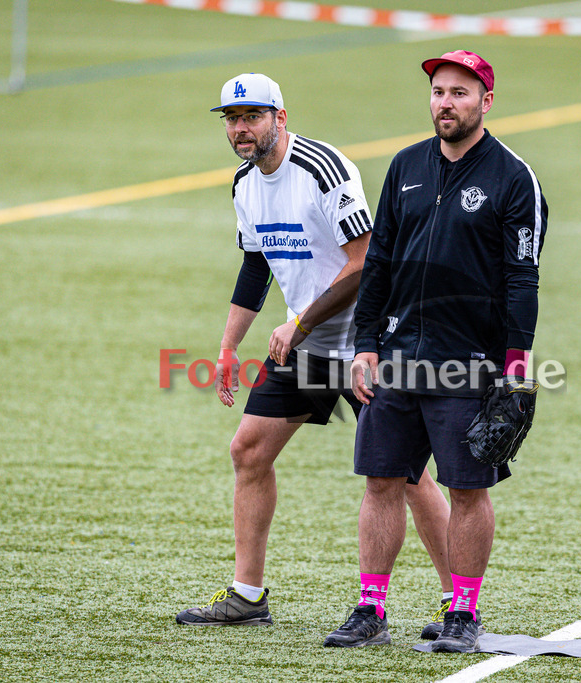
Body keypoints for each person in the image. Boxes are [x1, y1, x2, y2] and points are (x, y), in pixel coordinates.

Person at [175, 72, 453, 628]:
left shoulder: (323, 168)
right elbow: (256, 264)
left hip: (370, 343)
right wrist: (229, 345)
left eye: (252, 116)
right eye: (232, 119)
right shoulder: (244, 184)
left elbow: (365, 262)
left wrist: (299, 323)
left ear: (280, 117)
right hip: (307, 342)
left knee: (406, 474)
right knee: (248, 451)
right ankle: (247, 595)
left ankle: (458, 601)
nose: (241, 129)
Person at [323, 51, 547, 652]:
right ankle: (371, 608)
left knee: (466, 489)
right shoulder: (405, 167)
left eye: (460, 93)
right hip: (396, 355)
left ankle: (463, 613)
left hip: (467, 361)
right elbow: (379, 266)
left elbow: (522, 278)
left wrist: (517, 361)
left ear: (485, 102)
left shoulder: (512, 177)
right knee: (380, 481)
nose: (445, 102)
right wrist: (364, 345)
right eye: (438, 92)